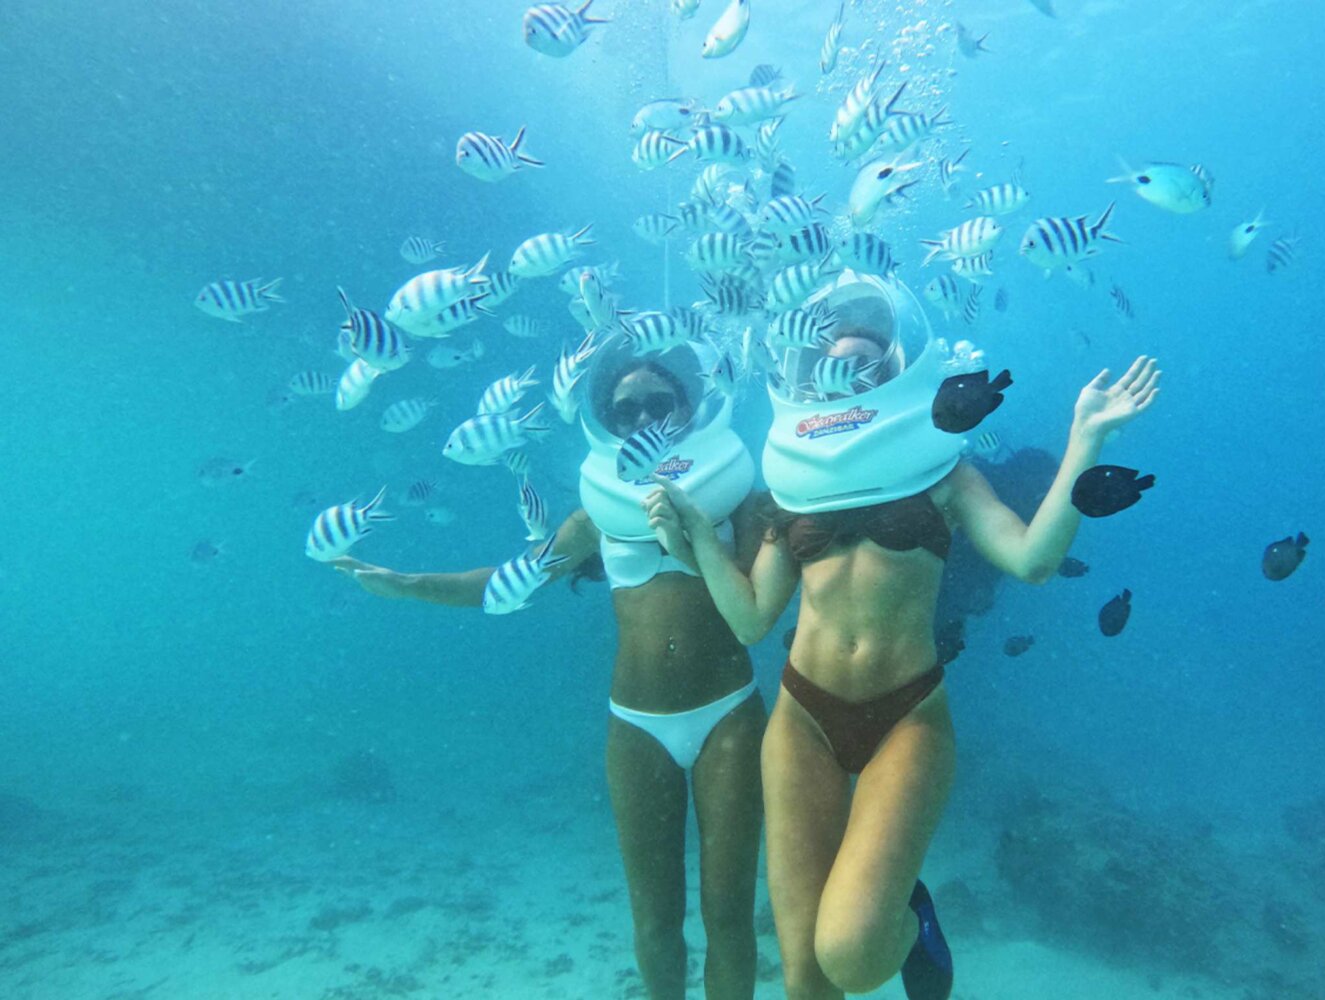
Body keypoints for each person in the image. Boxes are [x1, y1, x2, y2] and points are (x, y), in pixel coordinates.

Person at [645, 273, 1161, 1000]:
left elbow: (1033, 561)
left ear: (893, 375)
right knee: (804, 981)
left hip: (907, 719)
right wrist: (697, 537)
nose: (851, 376)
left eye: (866, 363)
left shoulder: (945, 473)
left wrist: (1085, 439)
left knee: (851, 956)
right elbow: (752, 617)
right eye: (837, 364)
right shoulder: (790, 488)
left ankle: (912, 921)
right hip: (801, 722)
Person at [334, 338, 767, 1000]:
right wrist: (408, 582)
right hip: (637, 726)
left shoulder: (738, 495)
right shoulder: (597, 512)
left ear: (687, 406)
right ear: (605, 420)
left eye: (659, 402)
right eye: (626, 410)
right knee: (654, 921)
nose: (643, 418)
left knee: (728, 914)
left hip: (729, 716)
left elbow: (792, 578)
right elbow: (511, 583)